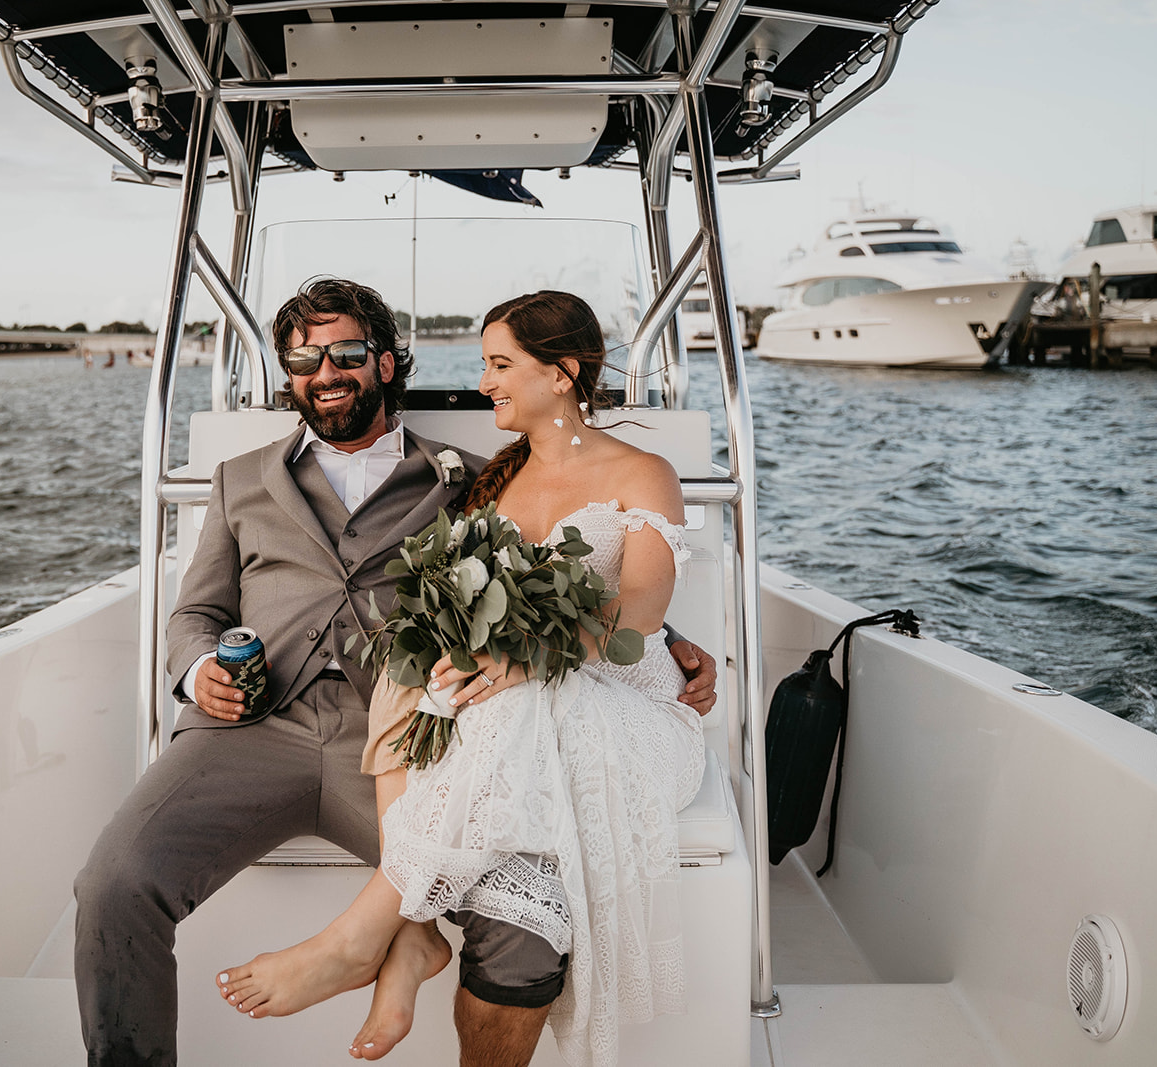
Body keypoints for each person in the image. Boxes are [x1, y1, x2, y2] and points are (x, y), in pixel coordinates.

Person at [73, 278, 718, 1067]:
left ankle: (394, 950)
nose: (325, 371)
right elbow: (191, 616)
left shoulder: (469, 480)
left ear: (384, 360)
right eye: (304, 358)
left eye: (345, 351)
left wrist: (672, 641)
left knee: (519, 927)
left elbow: (568, 567)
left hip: (400, 738)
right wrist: (199, 668)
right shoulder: (240, 480)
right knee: (113, 881)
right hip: (247, 733)